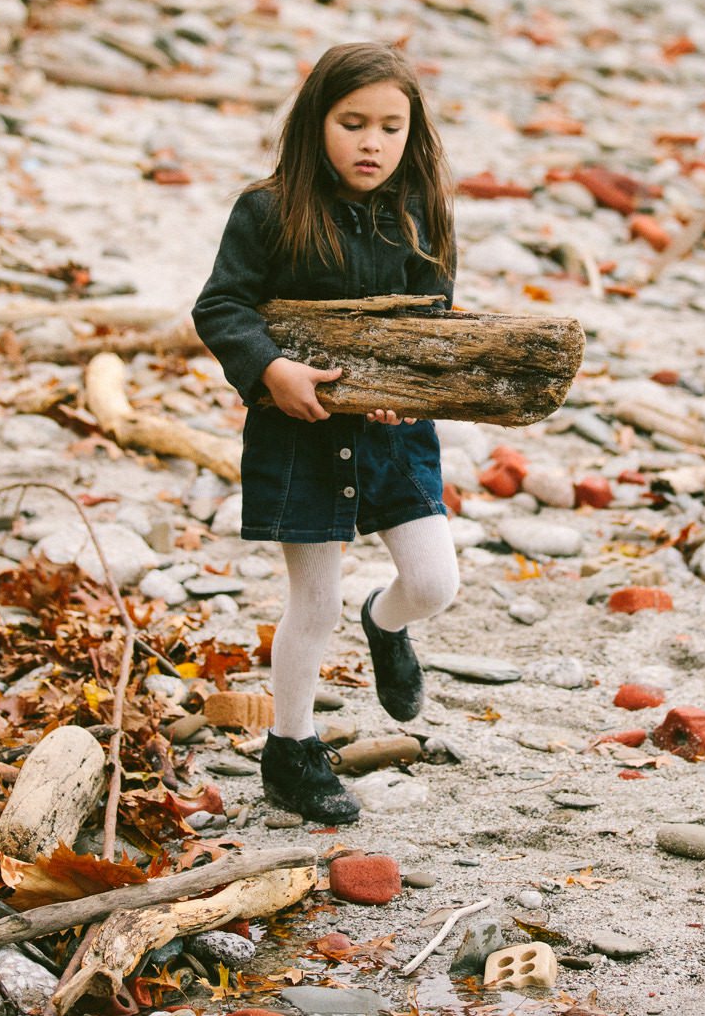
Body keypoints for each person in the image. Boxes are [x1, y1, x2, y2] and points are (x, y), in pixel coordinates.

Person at [193, 41, 461, 825]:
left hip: (392, 437)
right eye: (352, 123)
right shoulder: (268, 210)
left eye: (389, 126)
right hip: (299, 435)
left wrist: (404, 393)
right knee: (314, 604)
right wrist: (270, 370)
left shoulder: (421, 216)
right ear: (317, 123)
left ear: (412, 134)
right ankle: (292, 749)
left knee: (436, 582)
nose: (371, 142)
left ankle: (388, 623)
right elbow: (222, 308)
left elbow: (434, 325)